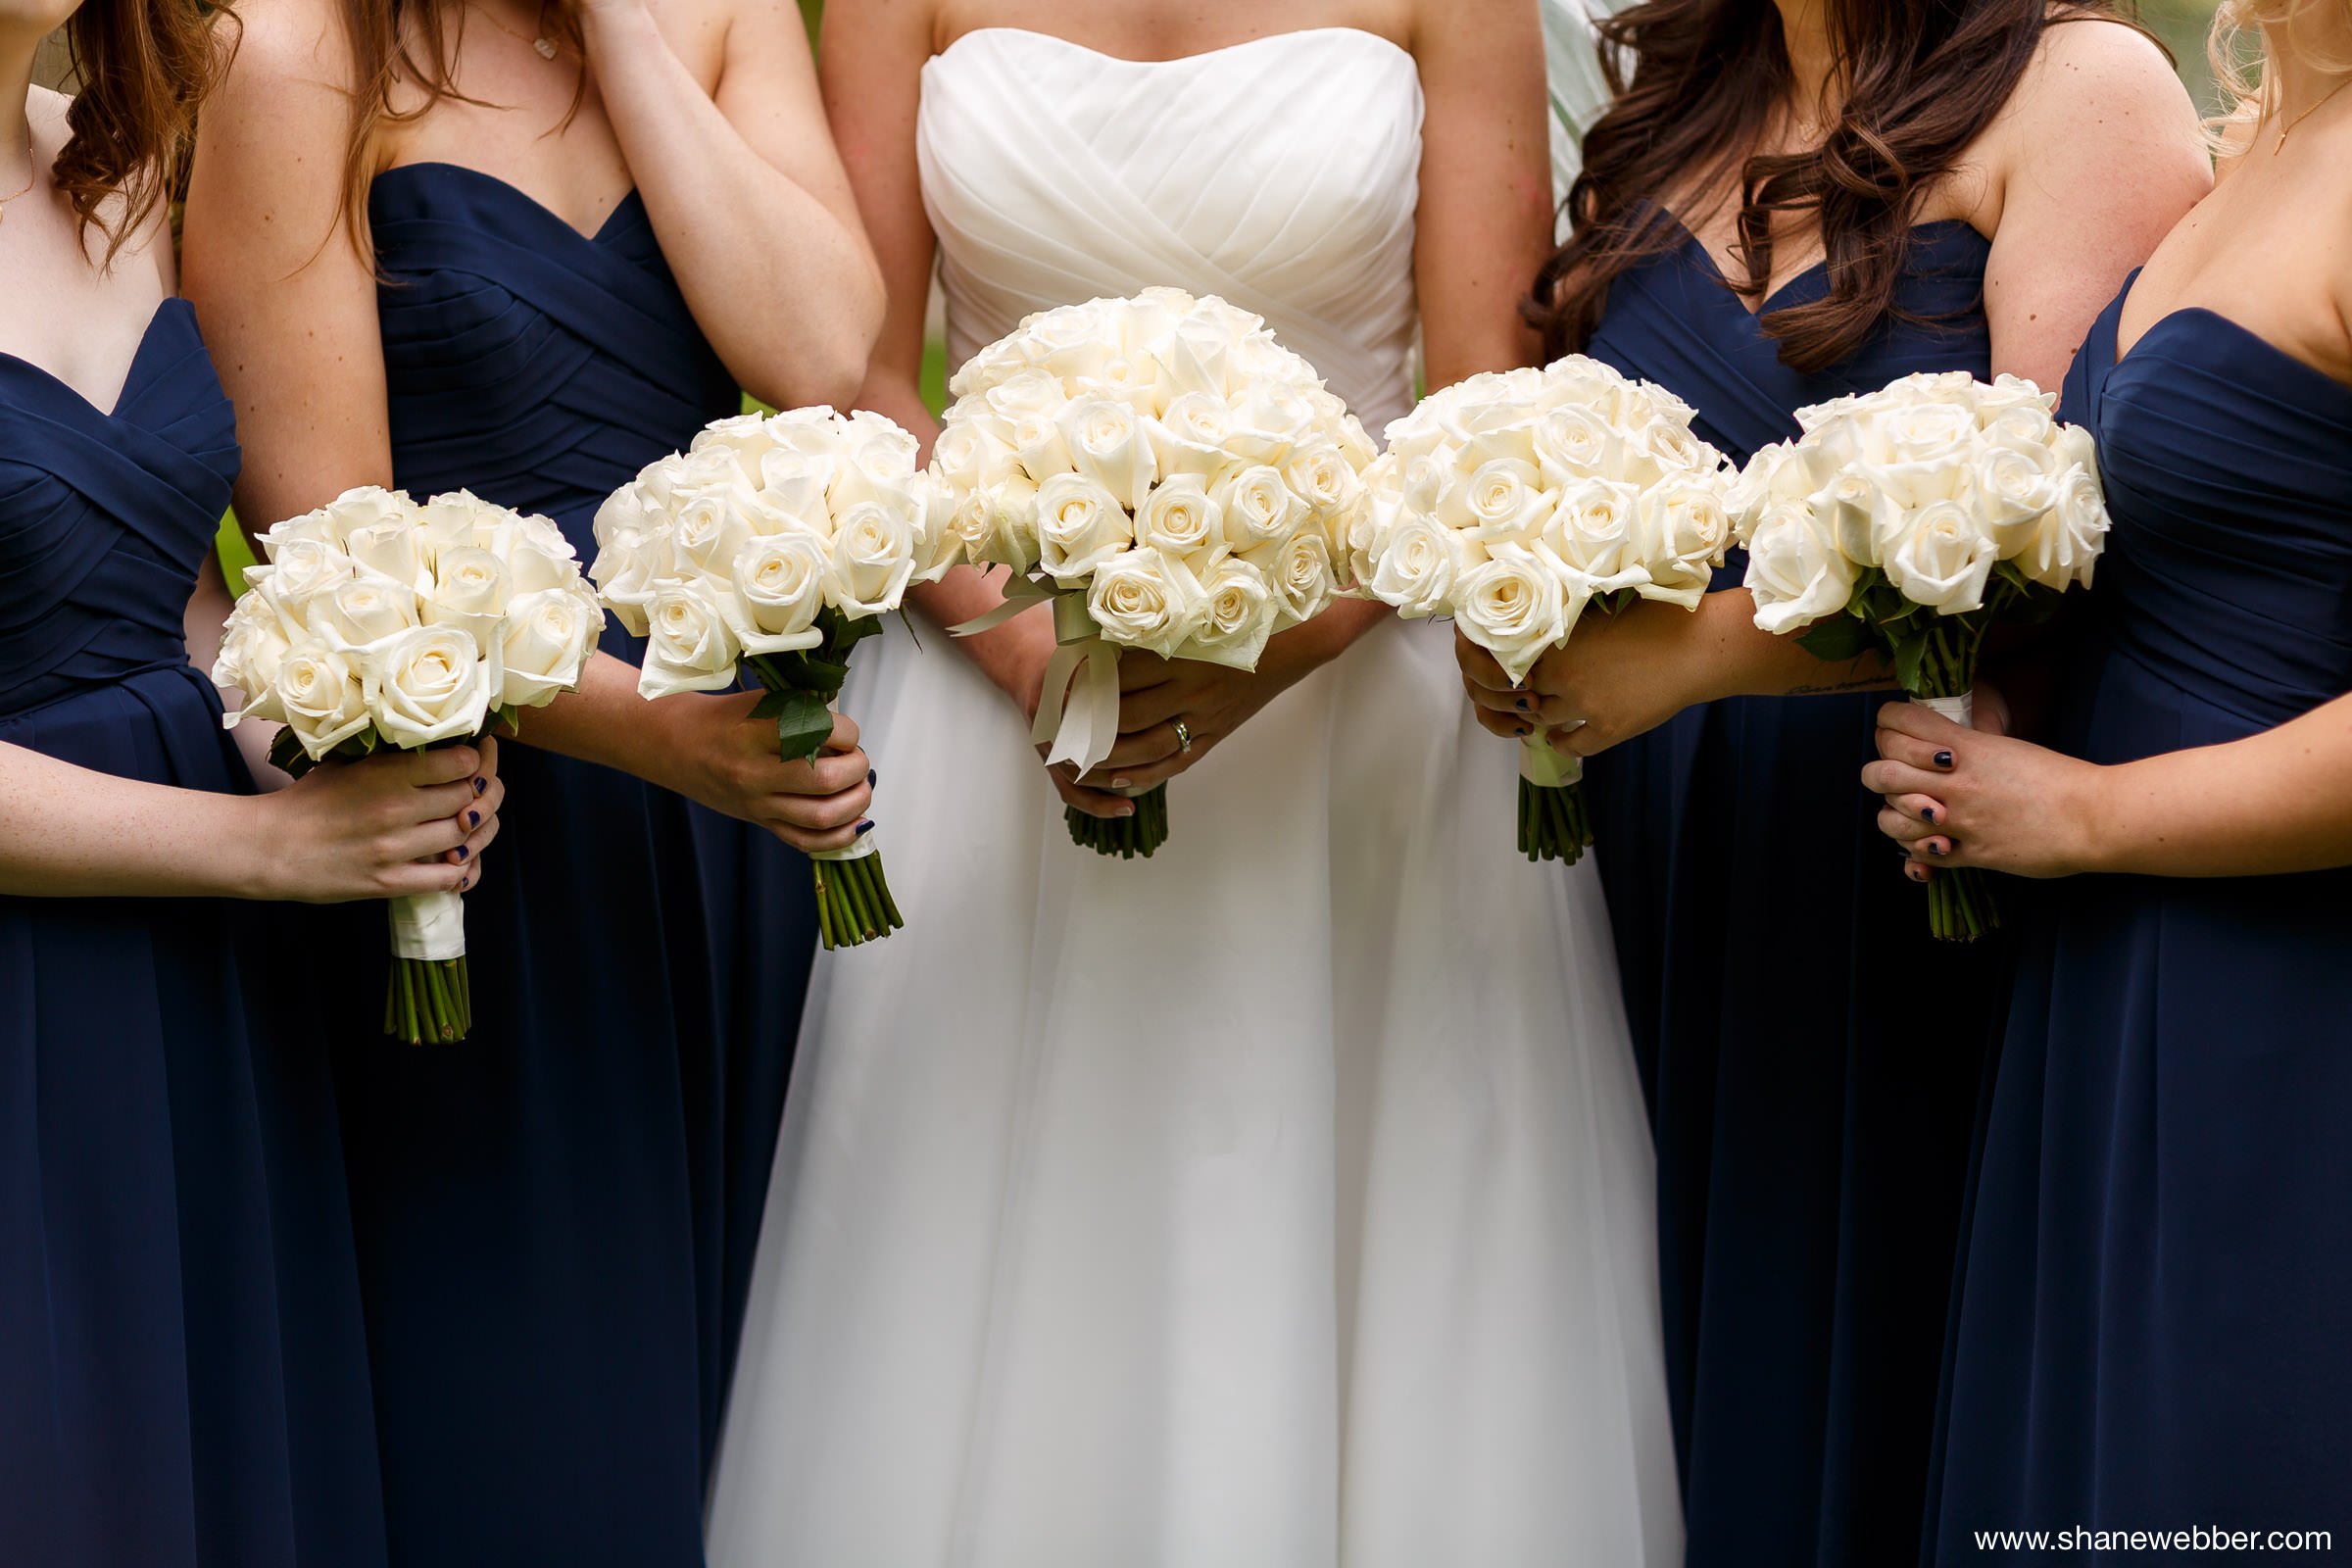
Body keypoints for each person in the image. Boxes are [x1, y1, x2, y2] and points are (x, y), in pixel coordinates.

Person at [708, 2, 1679, 1563]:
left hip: (1351, 705)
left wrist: (1267, 650)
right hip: (995, 702)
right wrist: (1028, 645)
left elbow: (1469, 396)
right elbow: (859, 371)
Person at [1459, 0, 2207, 1559]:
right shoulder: (1670, 103)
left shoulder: (2075, 88)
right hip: (1639, 857)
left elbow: (2066, 551)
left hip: (1903, 847)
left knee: (1866, 1363)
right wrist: (1515, 615)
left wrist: (1693, 658)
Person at [183, 0, 879, 1556]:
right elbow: (335, 538)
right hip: (485, 806)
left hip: (739, 827)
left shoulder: (717, 19)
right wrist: (661, 738)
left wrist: (628, 33)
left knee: (780, 1416)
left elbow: (822, 347)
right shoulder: (292, 56)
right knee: (540, 1433)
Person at [0, 1, 501, 1559]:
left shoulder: (114, 172)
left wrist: (320, 725)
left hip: (196, 991)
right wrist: (269, 851)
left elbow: (163, 591)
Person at [1867, 0, 2352, 1545]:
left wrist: (2084, 813)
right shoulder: (2257, 143)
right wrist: (2005, 719)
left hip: (2281, 988)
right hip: (2112, 970)